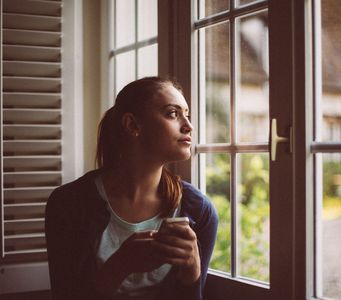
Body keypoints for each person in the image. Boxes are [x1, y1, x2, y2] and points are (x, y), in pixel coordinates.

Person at [45, 77, 218, 299]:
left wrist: (192, 271)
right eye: (173, 114)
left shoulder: (199, 211)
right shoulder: (68, 204)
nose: (189, 125)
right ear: (132, 125)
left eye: (187, 115)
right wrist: (120, 266)